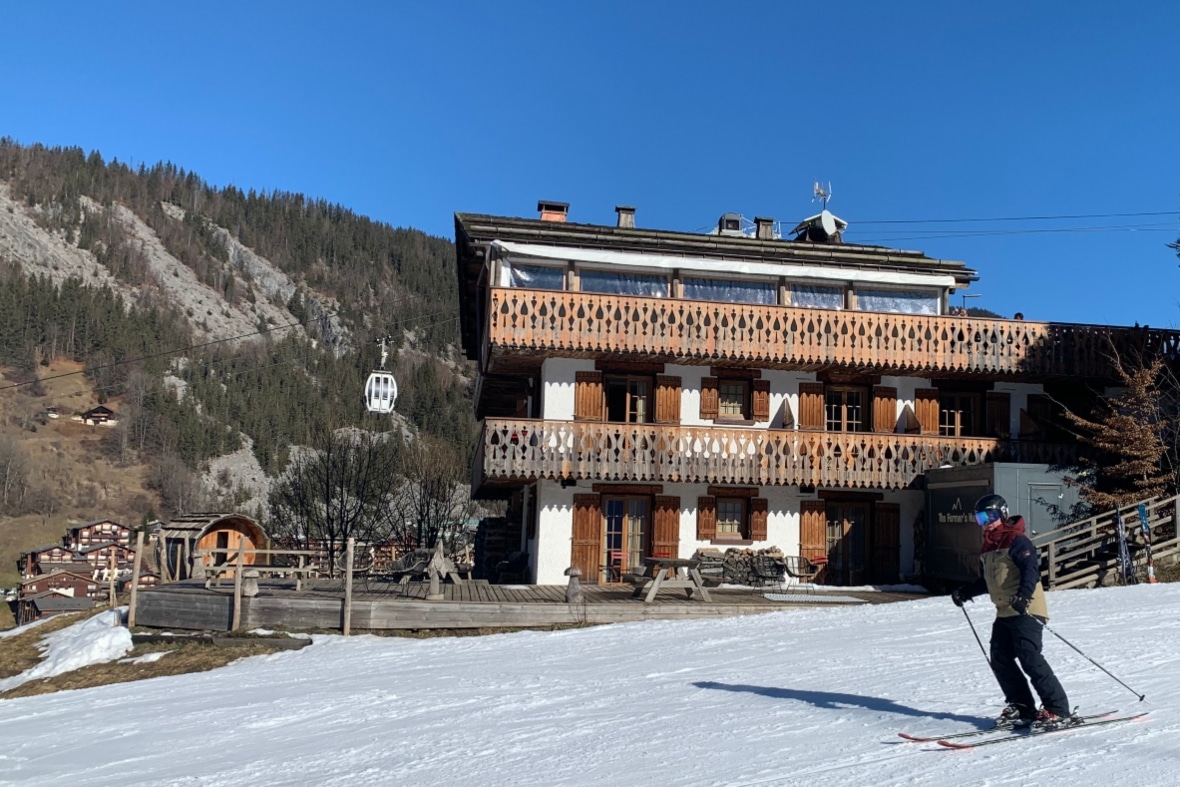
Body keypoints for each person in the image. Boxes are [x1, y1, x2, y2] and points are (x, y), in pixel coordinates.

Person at [951, 494, 1076, 730]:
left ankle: (1058, 710)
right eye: (981, 518)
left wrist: (1024, 596)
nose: (986, 522)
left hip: (1027, 609)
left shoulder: (1018, 541)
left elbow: (1031, 571)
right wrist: (965, 592)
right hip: (1005, 611)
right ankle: (1022, 706)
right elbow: (990, 580)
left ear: (1002, 515)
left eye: (990, 516)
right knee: (1000, 658)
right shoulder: (988, 546)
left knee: (1030, 657)